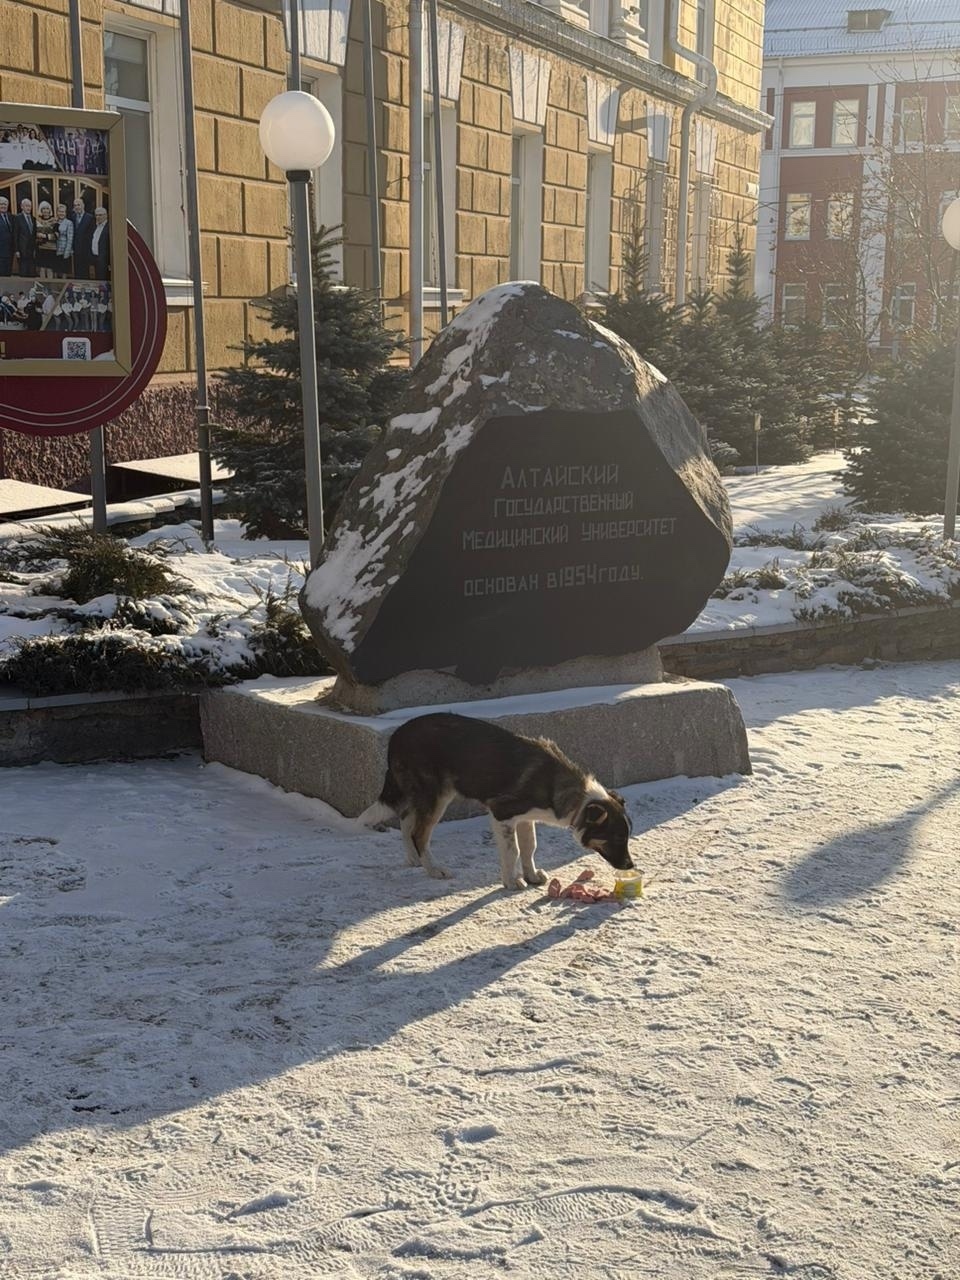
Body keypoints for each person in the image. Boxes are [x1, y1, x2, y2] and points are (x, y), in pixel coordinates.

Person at [14, 197, 38, 277]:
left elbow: (34, 235)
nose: (28, 208)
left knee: (32, 272)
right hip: (22, 250)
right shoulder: (17, 218)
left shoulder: (33, 219)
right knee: (23, 272)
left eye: (29, 206)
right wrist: (16, 250)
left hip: (31, 250)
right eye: (26, 206)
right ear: (22, 207)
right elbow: (15, 235)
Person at [71, 198, 94, 279]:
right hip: (76, 250)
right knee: (77, 271)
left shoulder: (90, 218)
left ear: (83, 205)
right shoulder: (72, 217)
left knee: (85, 272)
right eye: (75, 205)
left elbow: (91, 235)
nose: (77, 207)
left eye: (78, 205)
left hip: (85, 250)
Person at [36, 200, 57, 277]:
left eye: (47, 208)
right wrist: (37, 235)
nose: (45, 210)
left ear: (50, 210)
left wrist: (45, 236)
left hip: (51, 248)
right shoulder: (37, 221)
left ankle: (50, 286)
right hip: (40, 248)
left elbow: (57, 235)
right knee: (42, 268)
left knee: (49, 268)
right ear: (41, 210)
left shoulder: (54, 221)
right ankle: (42, 287)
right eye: (43, 209)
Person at [53, 203, 74, 277]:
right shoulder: (54, 222)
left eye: (63, 212)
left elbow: (70, 238)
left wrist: (67, 252)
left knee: (63, 272)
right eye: (59, 211)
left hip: (64, 251)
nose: (61, 213)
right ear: (57, 212)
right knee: (55, 271)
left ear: (65, 213)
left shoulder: (69, 223)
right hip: (54, 250)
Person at [90, 207, 110, 280]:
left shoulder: (109, 227)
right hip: (95, 258)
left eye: (100, 215)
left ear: (106, 215)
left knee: (103, 279)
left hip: (104, 259)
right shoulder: (95, 226)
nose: (98, 217)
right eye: (96, 215)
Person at [0, 196, 14, 276]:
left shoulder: (11, 217)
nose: (3, 206)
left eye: (5, 204)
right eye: (1, 204)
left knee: (8, 274)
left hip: (9, 252)